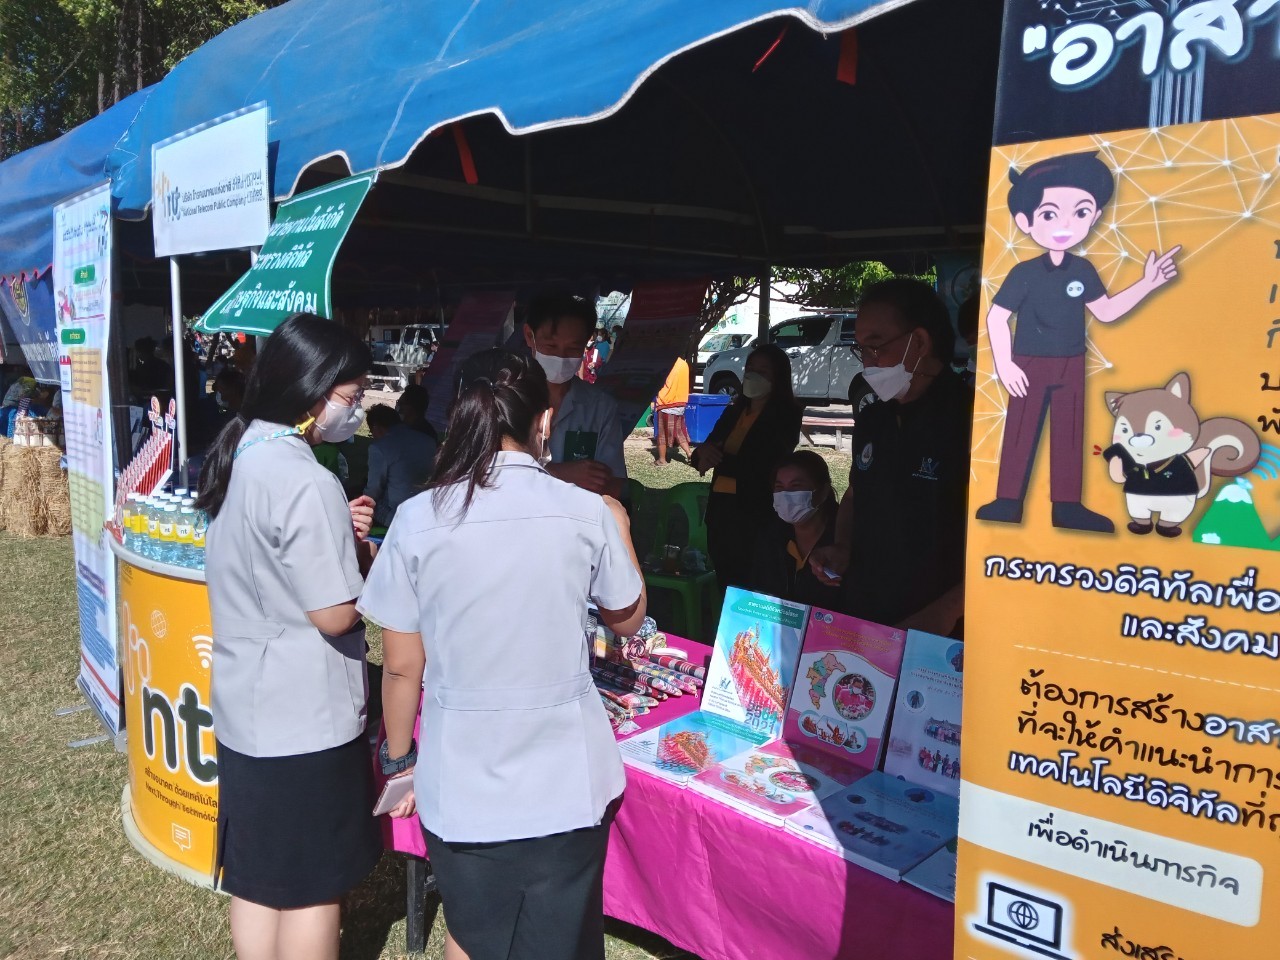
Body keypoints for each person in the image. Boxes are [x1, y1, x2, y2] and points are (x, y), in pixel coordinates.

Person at [359, 348, 646, 960]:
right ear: (545, 421)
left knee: (471, 933)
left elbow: (403, 666)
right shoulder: (585, 511)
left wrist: (400, 760)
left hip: (462, 784)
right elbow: (627, 617)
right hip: (567, 781)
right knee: (561, 940)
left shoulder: (416, 518)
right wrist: (620, 527)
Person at [195, 314, 381, 960]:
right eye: (353, 396)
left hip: (246, 709)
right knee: (312, 888)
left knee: (259, 877)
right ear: (314, 391)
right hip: (305, 719)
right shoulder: (306, 479)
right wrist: (366, 565)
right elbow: (334, 614)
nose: (358, 409)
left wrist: (338, 538)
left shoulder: (242, 452)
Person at [975, 151, 1179, 533]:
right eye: (1050, 214)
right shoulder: (1024, 272)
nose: (1065, 224)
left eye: (1080, 212)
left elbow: (1106, 311)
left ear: (1095, 215)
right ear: (1025, 221)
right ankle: (1007, 501)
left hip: (1071, 362)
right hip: (1028, 362)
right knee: (1020, 428)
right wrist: (1005, 364)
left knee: (1069, 432)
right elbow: (996, 317)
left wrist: (1147, 284)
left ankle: (1067, 506)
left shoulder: (1083, 269)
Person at [810, 279, 973, 638]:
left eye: (876, 346)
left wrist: (947, 612)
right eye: (862, 350)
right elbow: (855, 494)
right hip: (867, 613)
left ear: (920, 342)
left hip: (939, 628)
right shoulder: (874, 417)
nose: (869, 362)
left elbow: (1002, 543)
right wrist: (842, 546)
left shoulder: (972, 420)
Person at [691, 344, 802, 595]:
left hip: (755, 511)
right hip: (721, 510)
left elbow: (768, 462)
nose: (753, 375)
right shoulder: (733, 412)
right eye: (750, 368)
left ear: (778, 377)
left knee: (753, 580)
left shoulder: (787, 415)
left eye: (763, 370)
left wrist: (721, 458)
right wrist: (702, 454)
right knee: (726, 580)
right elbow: (705, 452)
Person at [523, 292, 627, 497]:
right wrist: (560, 474)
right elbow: (489, 477)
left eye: (573, 348)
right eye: (551, 346)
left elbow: (614, 485)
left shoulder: (600, 407)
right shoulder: (504, 400)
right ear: (529, 336)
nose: (560, 357)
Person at [748, 450, 842, 610]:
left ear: (823, 492)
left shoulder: (842, 542)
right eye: (779, 487)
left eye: (796, 486)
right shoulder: (771, 537)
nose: (786, 495)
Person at [364, 403, 437, 527]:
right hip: (426, 510)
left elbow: (373, 489)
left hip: (397, 514)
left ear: (376, 427)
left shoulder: (379, 447)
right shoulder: (428, 441)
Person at [654, 357, 693, 466]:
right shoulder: (683, 364)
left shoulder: (666, 363)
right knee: (679, 432)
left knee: (662, 434)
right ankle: (689, 453)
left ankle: (662, 460)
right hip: (681, 402)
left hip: (667, 402)